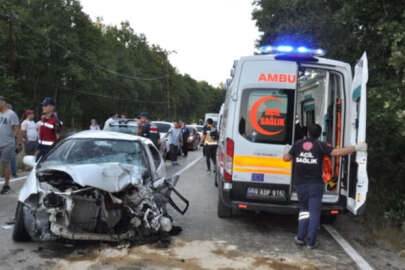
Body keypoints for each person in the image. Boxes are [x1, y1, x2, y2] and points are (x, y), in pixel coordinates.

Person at [283, 123, 367, 249]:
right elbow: (337, 153)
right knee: (315, 213)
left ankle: (300, 238)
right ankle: (311, 243)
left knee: (304, 211)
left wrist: (286, 151)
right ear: (319, 135)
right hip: (315, 185)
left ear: (307, 133)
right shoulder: (321, 145)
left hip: (300, 184)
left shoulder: (298, 144)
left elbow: (286, 159)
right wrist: (356, 148)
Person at [0, 96, 22, 194]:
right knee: (4, 164)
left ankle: (6, 185)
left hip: (7, 143)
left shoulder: (11, 114)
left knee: (5, 164)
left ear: (3, 102)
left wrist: (19, 143)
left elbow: (17, 130)